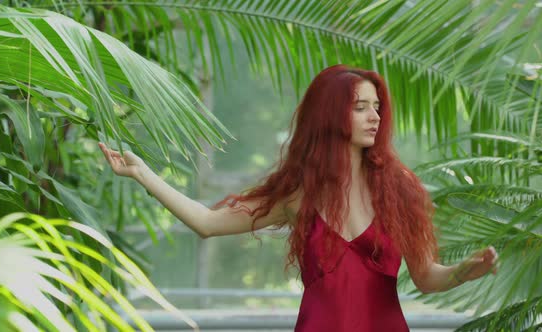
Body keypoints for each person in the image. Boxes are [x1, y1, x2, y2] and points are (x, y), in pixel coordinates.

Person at [98, 64, 499, 331]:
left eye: (377, 107)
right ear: (330, 115)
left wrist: (463, 271)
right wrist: (142, 173)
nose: (375, 116)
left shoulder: (400, 190)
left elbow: (427, 277)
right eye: (361, 107)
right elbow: (206, 222)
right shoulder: (298, 194)